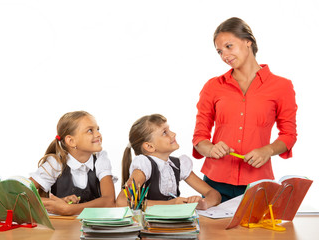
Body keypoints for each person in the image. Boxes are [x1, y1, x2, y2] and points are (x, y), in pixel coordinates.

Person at [192, 17, 297, 202]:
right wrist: (210, 149)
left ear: (248, 41)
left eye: (229, 46)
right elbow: (199, 137)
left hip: (258, 184)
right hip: (214, 185)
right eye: (219, 51)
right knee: (212, 232)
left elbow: (289, 135)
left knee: (257, 232)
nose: (224, 55)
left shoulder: (282, 86)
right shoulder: (212, 86)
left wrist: (268, 150)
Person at [116, 114, 221, 210]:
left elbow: (214, 194)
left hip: (171, 226)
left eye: (169, 130)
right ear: (149, 146)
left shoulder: (178, 165)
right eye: (164, 132)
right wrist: (171, 204)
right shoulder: (145, 166)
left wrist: (204, 203)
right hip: (148, 227)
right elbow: (122, 201)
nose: (173, 134)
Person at [30, 111, 116, 215]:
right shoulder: (56, 163)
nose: (98, 134)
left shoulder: (101, 159)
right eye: (90, 130)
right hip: (63, 228)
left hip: (93, 228)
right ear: (71, 141)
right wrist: (58, 202)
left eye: (97, 129)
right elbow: (21, 195)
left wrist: (68, 209)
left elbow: (109, 201)